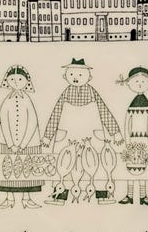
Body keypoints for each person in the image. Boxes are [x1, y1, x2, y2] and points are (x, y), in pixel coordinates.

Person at [42, 58, 123, 205]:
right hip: (68, 134)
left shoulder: (93, 93)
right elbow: (55, 114)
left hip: (91, 133)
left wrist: (115, 132)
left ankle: (103, 195)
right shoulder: (65, 93)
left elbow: (104, 112)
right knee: (64, 164)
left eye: (80, 75)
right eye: (72, 74)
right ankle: (59, 196)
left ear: (89, 77)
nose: (75, 77)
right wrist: (48, 136)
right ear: (65, 76)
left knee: (97, 163)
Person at [0, 65, 43, 209]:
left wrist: (23, 144)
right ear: (7, 81)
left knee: (27, 169)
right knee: (7, 169)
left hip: (28, 143)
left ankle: (26, 198)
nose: (16, 82)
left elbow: (33, 122)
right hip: (7, 143)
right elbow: (3, 122)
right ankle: (9, 198)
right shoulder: (6, 101)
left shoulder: (27, 100)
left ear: (26, 81)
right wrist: (10, 144)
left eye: (20, 79)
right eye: (12, 79)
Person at [116, 66, 148, 206]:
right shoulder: (132, 105)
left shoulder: (147, 105)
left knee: (143, 167)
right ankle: (129, 195)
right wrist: (127, 140)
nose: (140, 84)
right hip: (132, 141)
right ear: (129, 83)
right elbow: (126, 124)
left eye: (143, 81)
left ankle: (143, 196)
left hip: (145, 141)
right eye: (136, 81)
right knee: (130, 167)